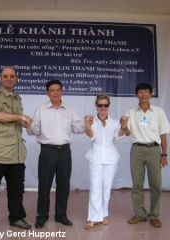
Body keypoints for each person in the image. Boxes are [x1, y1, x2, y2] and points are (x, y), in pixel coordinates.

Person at [0, 67, 32, 235]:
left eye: (12, 76)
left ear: (17, 79)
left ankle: (16, 217)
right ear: (0, 78)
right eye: (5, 76)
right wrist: (20, 117)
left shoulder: (17, 98)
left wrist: (25, 122)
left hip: (16, 153)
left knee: (16, 189)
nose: (9, 79)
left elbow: (15, 121)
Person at [26, 79, 86, 229]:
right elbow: (35, 130)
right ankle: (42, 216)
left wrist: (86, 124)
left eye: (58, 90)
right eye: (52, 90)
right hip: (48, 151)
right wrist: (28, 126)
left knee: (64, 185)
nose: (55, 93)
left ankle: (61, 215)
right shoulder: (41, 109)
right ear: (47, 93)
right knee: (44, 186)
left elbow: (77, 128)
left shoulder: (69, 110)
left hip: (65, 152)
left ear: (62, 91)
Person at [124, 82, 170, 228]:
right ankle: (139, 214)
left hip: (154, 150)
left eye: (146, 92)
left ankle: (154, 215)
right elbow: (127, 133)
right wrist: (124, 126)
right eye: (140, 92)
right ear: (136, 95)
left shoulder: (158, 112)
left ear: (150, 94)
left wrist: (164, 154)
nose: (143, 94)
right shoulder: (131, 112)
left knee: (156, 184)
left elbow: (163, 135)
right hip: (137, 149)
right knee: (137, 184)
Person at [83, 94, 128, 229]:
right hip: (95, 157)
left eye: (105, 105)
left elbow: (118, 137)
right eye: (100, 105)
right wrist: (87, 125)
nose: (103, 108)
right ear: (96, 106)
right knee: (95, 187)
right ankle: (93, 218)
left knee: (106, 188)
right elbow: (91, 137)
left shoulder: (114, 122)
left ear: (109, 106)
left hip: (111, 158)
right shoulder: (91, 121)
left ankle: (103, 215)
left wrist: (124, 127)